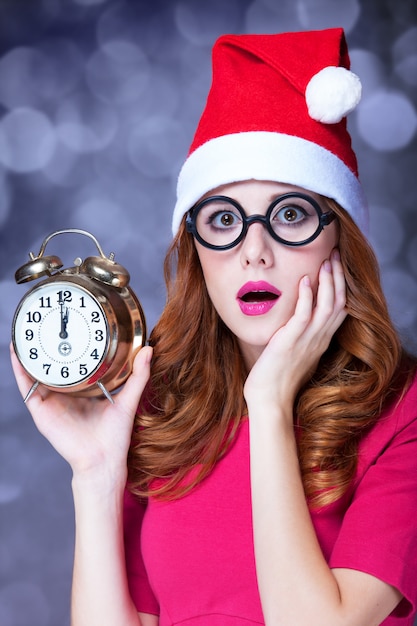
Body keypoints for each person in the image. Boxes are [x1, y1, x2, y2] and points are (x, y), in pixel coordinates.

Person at [11, 27, 417, 626]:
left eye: (291, 214)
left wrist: (271, 402)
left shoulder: (402, 415)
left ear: (340, 239)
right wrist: (96, 475)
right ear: (196, 250)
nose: (255, 251)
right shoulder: (166, 411)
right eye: (224, 218)